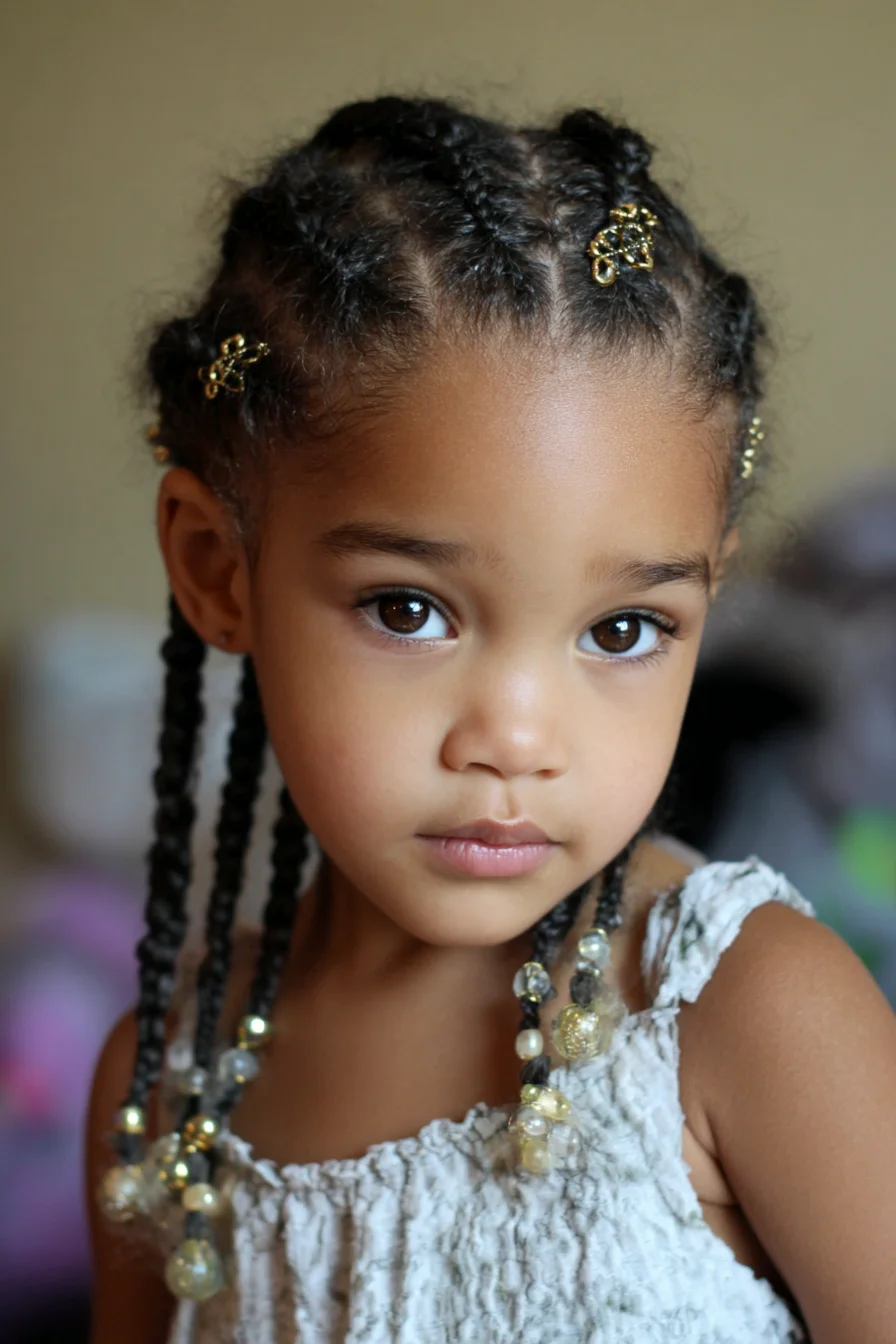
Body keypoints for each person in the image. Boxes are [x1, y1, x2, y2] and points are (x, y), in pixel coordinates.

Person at [84, 96, 896, 1344]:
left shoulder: (742, 1012)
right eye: (408, 610)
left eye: (623, 630)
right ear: (217, 568)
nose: (516, 739)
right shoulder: (170, 1082)